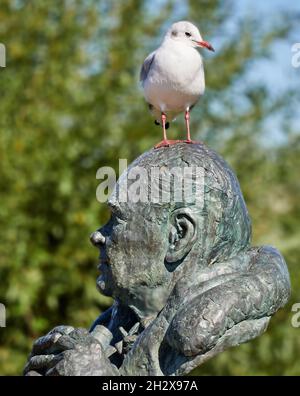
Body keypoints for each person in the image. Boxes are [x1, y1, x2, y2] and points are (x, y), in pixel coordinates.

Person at [24, 143, 290, 376]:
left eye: (117, 220)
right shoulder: (117, 325)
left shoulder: (227, 350)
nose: (97, 235)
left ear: (178, 235)